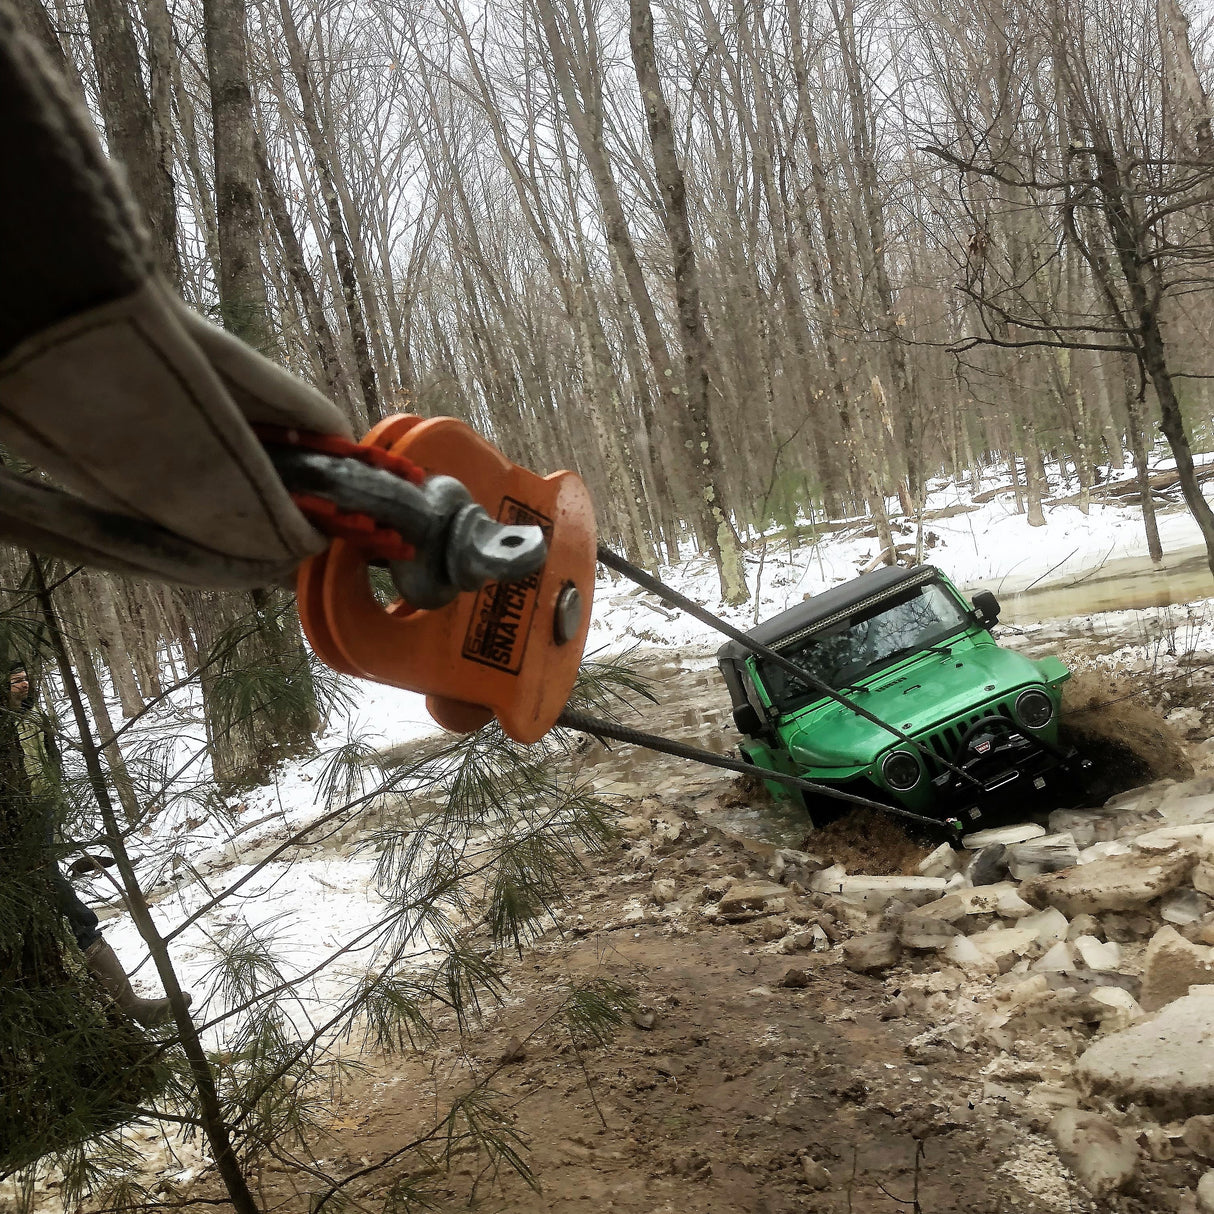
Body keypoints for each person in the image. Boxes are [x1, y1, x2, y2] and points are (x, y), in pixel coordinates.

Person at [8, 661, 186, 1028]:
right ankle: (130, 1007)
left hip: (39, 820)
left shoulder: (37, 716)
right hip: (14, 836)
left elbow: (50, 767)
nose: (23, 685)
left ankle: (128, 1005)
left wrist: (54, 814)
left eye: (26, 678)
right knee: (71, 913)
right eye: (14, 681)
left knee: (70, 913)